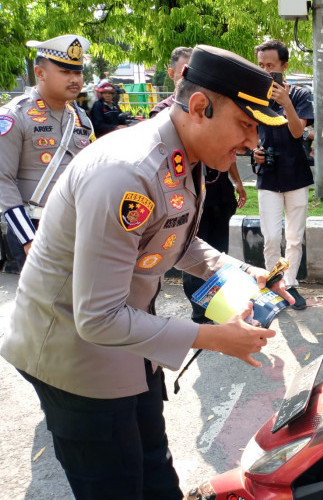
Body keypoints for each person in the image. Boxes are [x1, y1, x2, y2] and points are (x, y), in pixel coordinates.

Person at [0, 44, 294, 500]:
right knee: (116, 484)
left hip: (128, 344)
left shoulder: (183, 155)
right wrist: (213, 337)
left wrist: (241, 270)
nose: (253, 142)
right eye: (246, 125)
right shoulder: (128, 172)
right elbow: (96, 318)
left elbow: (174, 237)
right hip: (75, 356)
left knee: (154, 473)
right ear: (200, 107)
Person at [151, 46, 247, 324]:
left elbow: (228, 152)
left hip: (216, 191)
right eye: (186, 71)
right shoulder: (164, 115)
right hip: (183, 194)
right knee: (192, 252)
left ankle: (219, 306)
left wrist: (238, 183)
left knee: (218, 251)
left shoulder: (214, 112)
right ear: (173, 74)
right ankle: (200, 312)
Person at [0, 35, 93, 273]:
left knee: (79, 306)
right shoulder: (15, 116)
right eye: (65, 71)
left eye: (78, 72)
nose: (75, 79)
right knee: (44, 308)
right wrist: (28, 240)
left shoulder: (80, 118)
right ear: (40, 73)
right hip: (35, 226)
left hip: (78, 227)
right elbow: (3, 181)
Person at [252, 39, 314, 310]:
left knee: (294, 237)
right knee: (271, 237)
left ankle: (290, 285)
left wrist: (285, 101)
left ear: (284, 66)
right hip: (267, 174)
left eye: (271, 66)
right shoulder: (253, 96)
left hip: (296, 174)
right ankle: (274, 285)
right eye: (261, 65)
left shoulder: (300, 95)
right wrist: (253, 151)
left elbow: (298, 132)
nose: (266, 71)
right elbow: (249, 135)